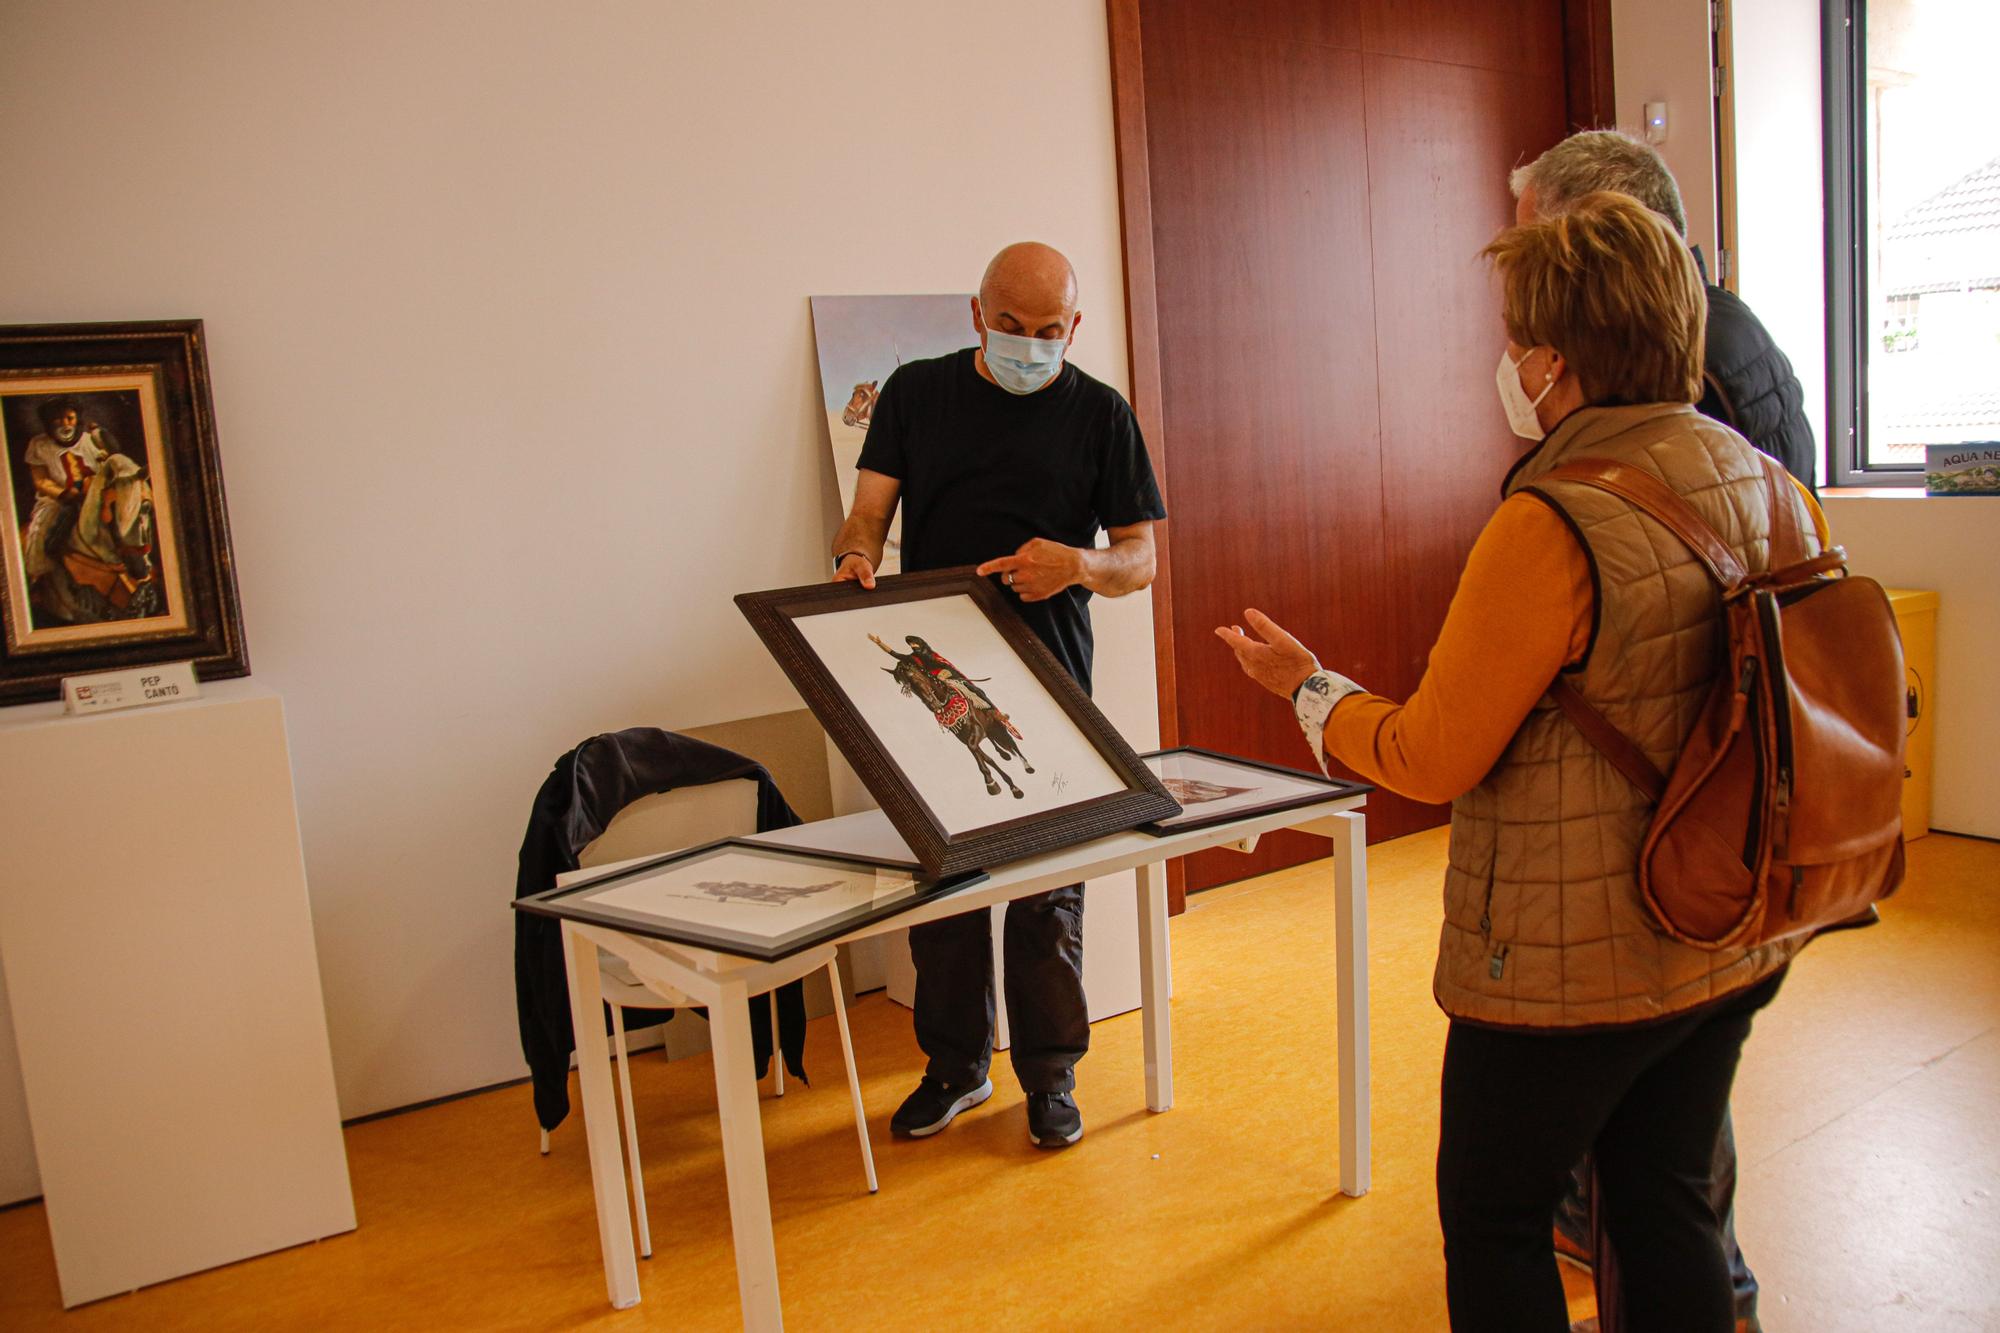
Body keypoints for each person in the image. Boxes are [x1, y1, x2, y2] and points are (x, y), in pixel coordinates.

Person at [1218, 192, 1819, 1331]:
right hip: (1732, 920)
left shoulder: (1550, 520)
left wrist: (1308, 689)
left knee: (1494, 1215)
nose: (1503, 363)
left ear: (1547, 359)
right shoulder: (1761, 479)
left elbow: (1429, 754)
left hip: (1567, 960)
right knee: (1664, 1200)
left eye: (1509, 340)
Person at [1508, 129, 1835, 1333]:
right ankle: (1652, 1261)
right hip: (1692, 775)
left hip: (1685, 787)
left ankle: (1705, 1284)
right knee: (1665, 1087)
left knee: (1667, 1089)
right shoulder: (1703, 344)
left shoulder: (1699, 371)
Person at [830, 241, 1165, 1149]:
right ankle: (955, 1068)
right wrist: (856, 552)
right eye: (1011, 329)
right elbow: (868, 513)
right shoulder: (916, 393)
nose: (1030, 346)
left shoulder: (1101, 414)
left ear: (1075, 329)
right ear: (977, 316)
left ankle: (1051, 1076)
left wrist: (1080, 564)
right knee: (946, 882)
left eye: (1048, 332)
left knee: (1048, 884)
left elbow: (1141, 557)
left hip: (1052, 674)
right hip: (933, 674)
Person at [1510, 129, 1818, 494]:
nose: (1531, 273)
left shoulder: (1673, 358)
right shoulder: (1717, 313)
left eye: (1539, 246)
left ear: (1606, 232)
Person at [18, 396, 159, 625]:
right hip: (58, 499)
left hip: (94, 493)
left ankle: (135, 566)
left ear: (77, 419)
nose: (64, 423)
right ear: (48, 423)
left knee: (124, 519)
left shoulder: (88, 440)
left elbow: (106, 463)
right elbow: (40, 480)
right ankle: (39, 575)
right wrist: (64, 493)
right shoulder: (39, 445)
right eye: (58, 419)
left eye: (69, 417)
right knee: (41, 530)